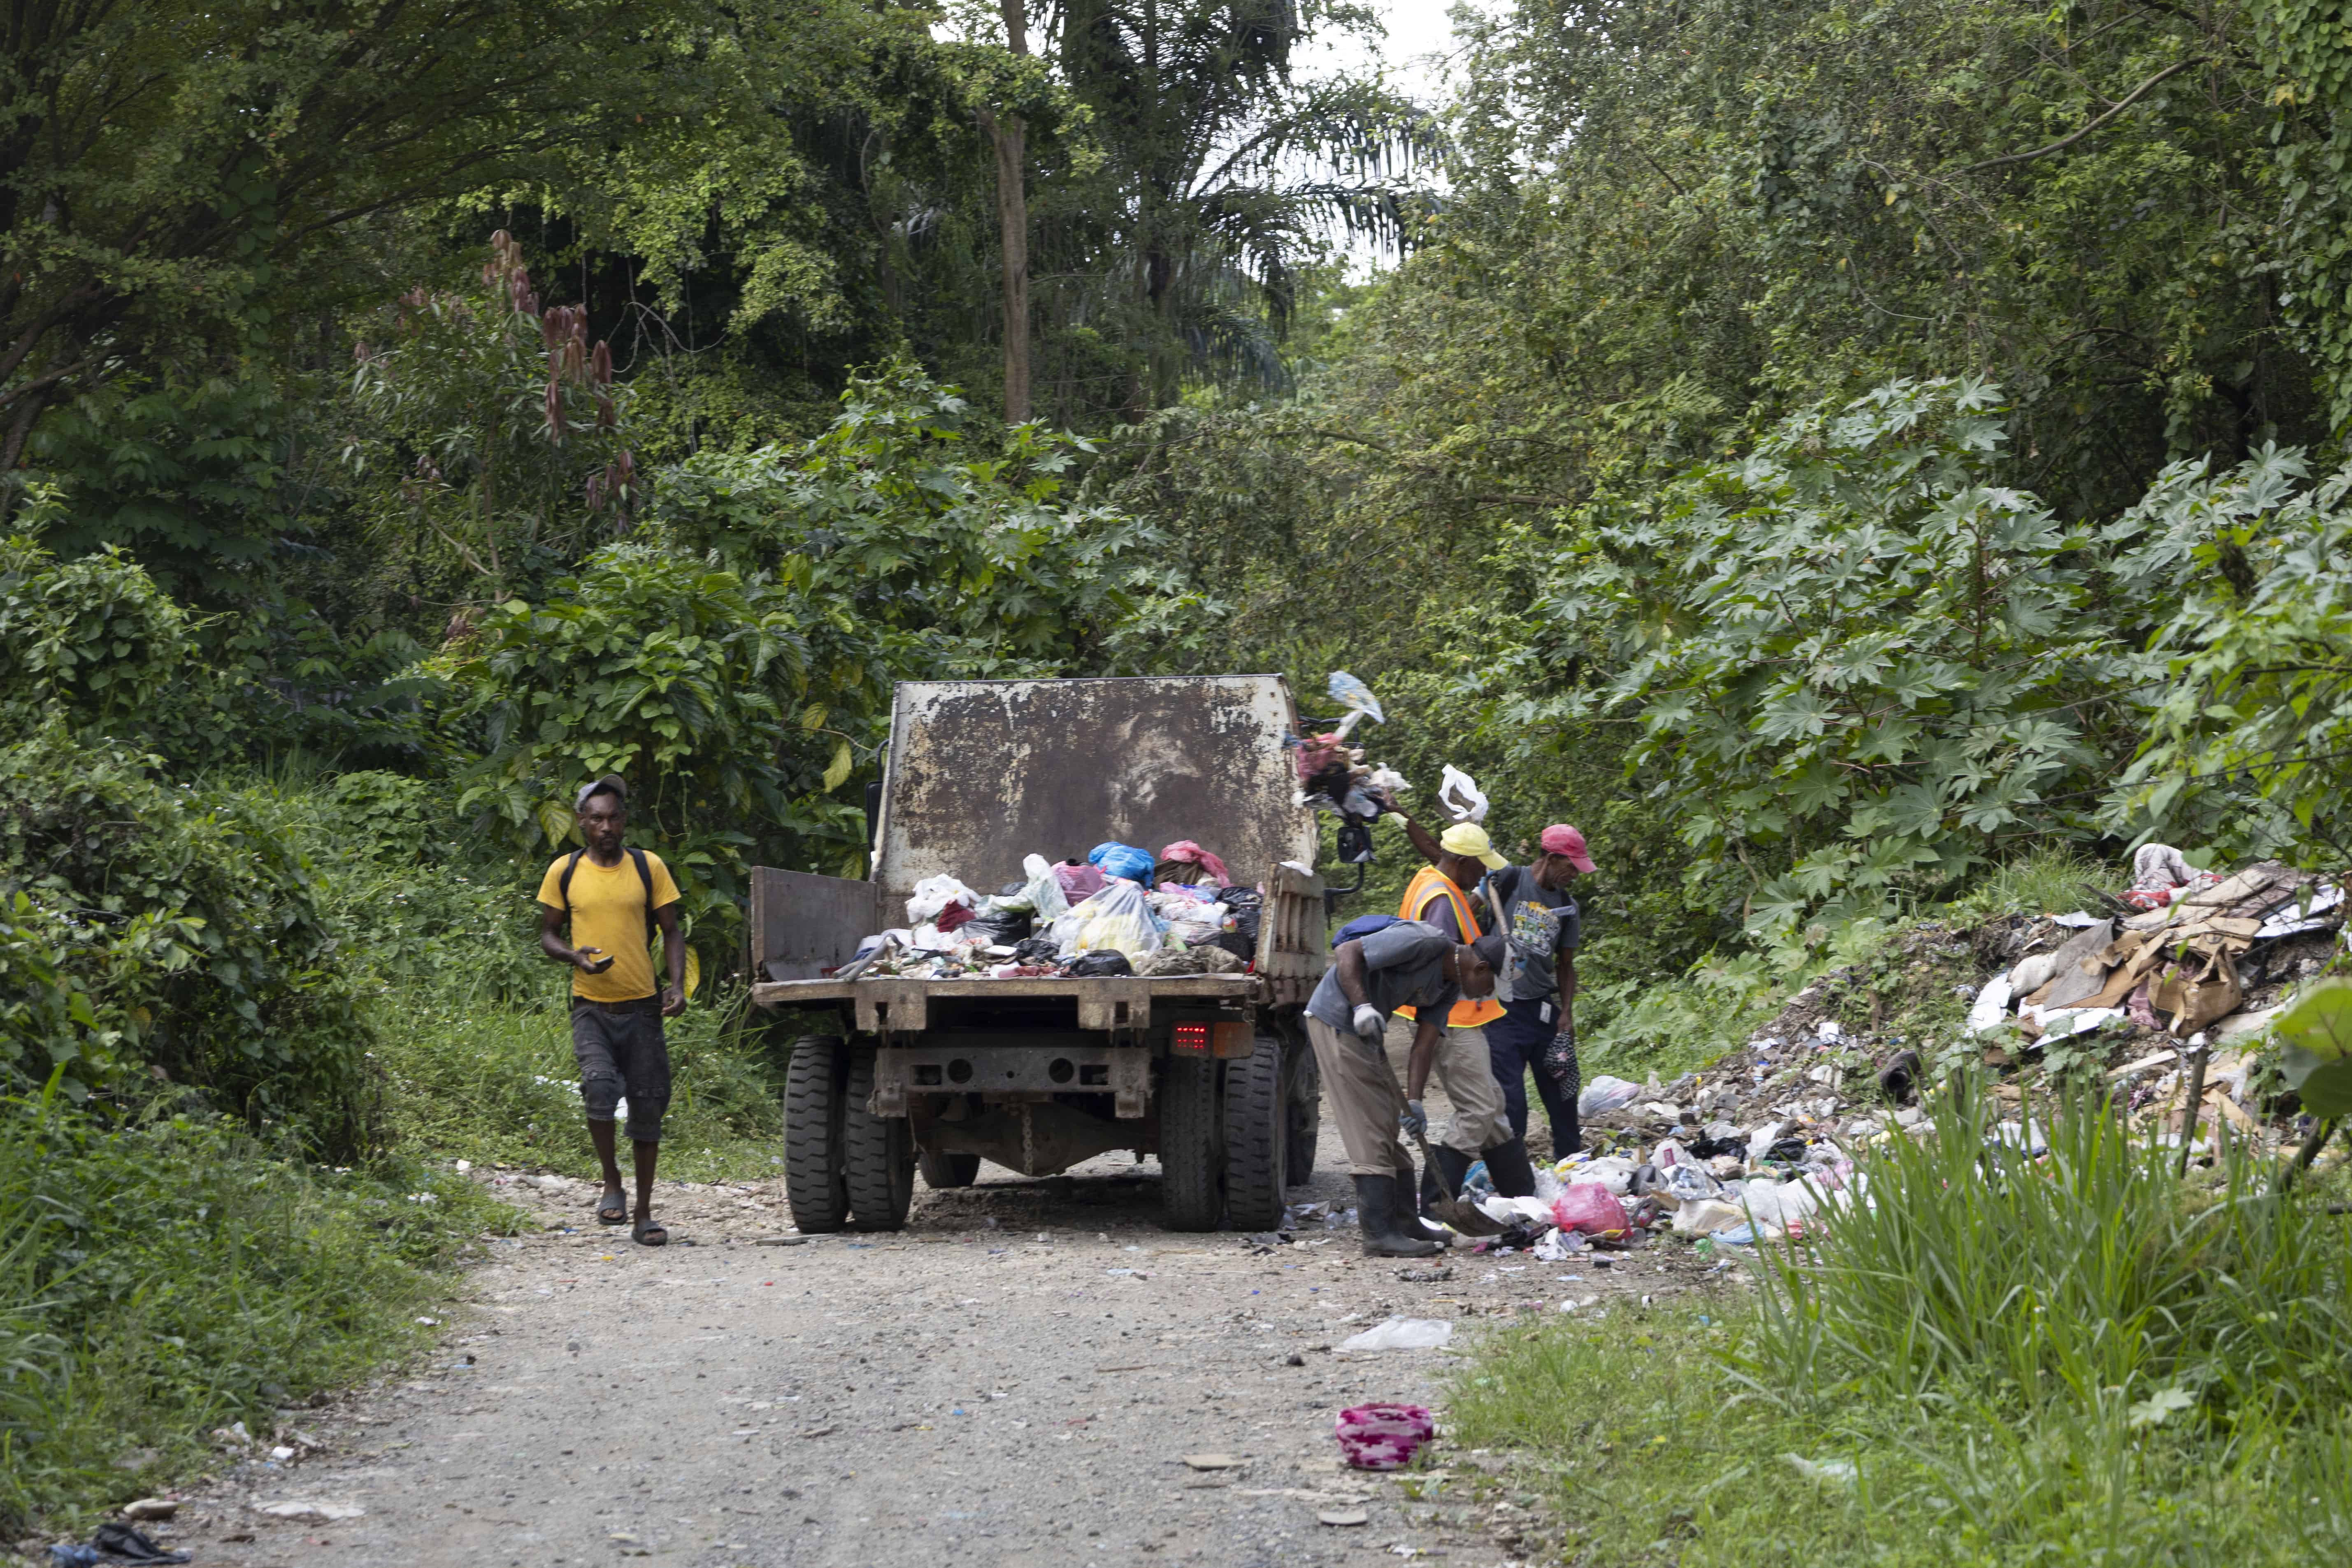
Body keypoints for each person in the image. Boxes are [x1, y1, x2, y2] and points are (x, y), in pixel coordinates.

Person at [536, 776, 687, 1246]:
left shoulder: (648, 867)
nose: (606, 826)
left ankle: (643, 1213)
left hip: (643, 1007)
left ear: (624, 822)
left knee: (646, 1105)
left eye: (613, 817)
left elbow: (672, 930)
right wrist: (574, 957)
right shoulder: (564, 871)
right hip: (591, 1006)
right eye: (596, 818)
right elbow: (548, 934)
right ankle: (611, 1182)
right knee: (598, 1089)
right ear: (581, 822)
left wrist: (677, 985)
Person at [1302, 919, 1499, 1257]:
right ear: (1480, 967)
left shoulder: (1449, 987)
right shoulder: (1426, 941)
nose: (1483, 996)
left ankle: (1407, 1223)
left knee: (1387, 1119)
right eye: (1488, 987)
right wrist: (1362, 1005)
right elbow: (1348, 952)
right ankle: (1379, 1234)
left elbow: (1424, 1047)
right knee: (1371, 1123)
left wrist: (1415, 1101)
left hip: (1363, 1032)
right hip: (1336, 1018)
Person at [1381, 810, 1539, 1204]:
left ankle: (1522, 1196)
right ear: (1463, 862)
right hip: (1452, 1019)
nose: (1482, 874)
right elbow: (1447, 960)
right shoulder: (1441, 900)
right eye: (1480, 868)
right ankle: (1435, 1202)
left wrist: (1478, 896)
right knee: (1479, 1109)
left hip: (1460, 1017)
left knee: (1494, 1108)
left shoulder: (1434, 883)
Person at [1476, 824, 1594, 1156]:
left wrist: (1566, 1013)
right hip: (1501, 1008)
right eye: (1570, 866)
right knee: (1512, 1102)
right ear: (1552, 857)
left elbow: (1566, 964)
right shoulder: (1508, 879)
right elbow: (1468, 913)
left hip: (1544, 1011)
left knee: (1563, 1091)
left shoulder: (1568, 907)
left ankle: (1570, 1165)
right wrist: (1481, 892)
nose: (1574, 874)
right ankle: (1512, 1179)